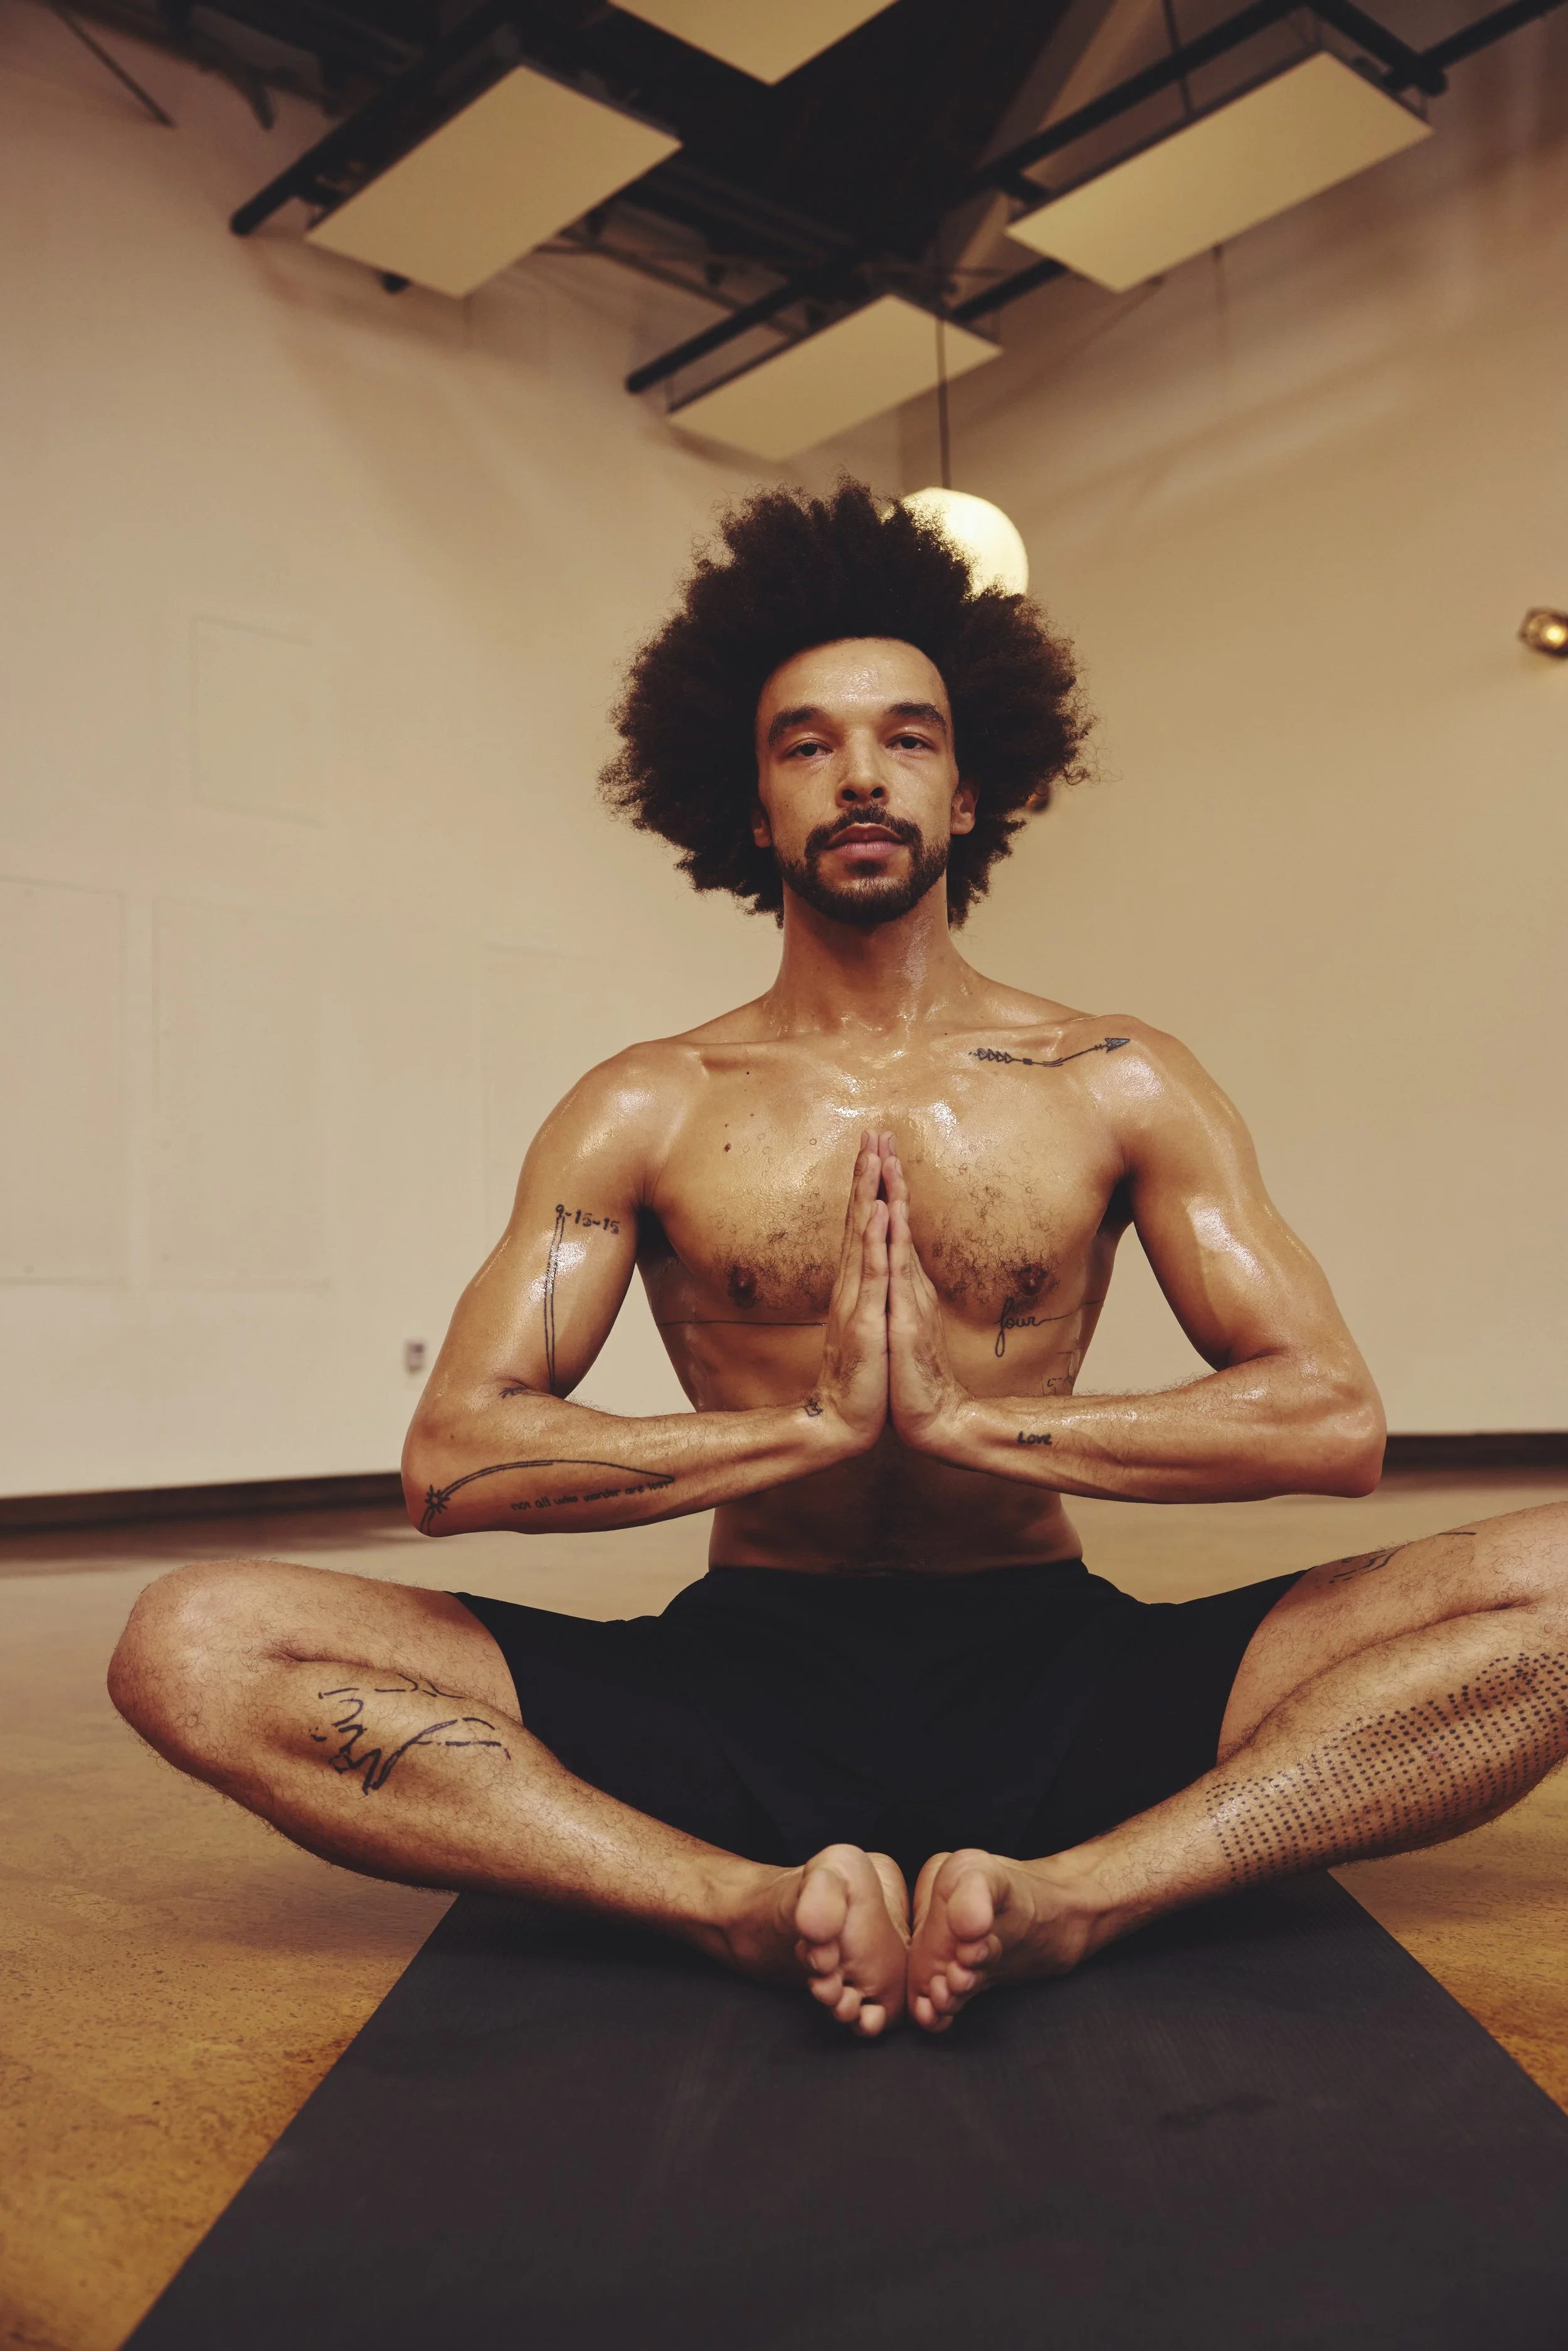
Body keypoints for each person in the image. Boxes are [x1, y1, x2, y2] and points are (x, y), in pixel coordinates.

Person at [110, 482, 1568, 2040]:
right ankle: (726, 1902)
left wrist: (974, 1421)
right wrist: (794, 1430)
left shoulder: (1114, 1077)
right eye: (805, 742)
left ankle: (1093, 1890)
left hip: (1060, 1661)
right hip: (741, 1676)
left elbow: (1329, 1419)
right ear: (749, 808)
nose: (859, 772)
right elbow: (455, 1455)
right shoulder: (647, 1104)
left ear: (965, 794)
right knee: (189, 1638)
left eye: (906, 736)